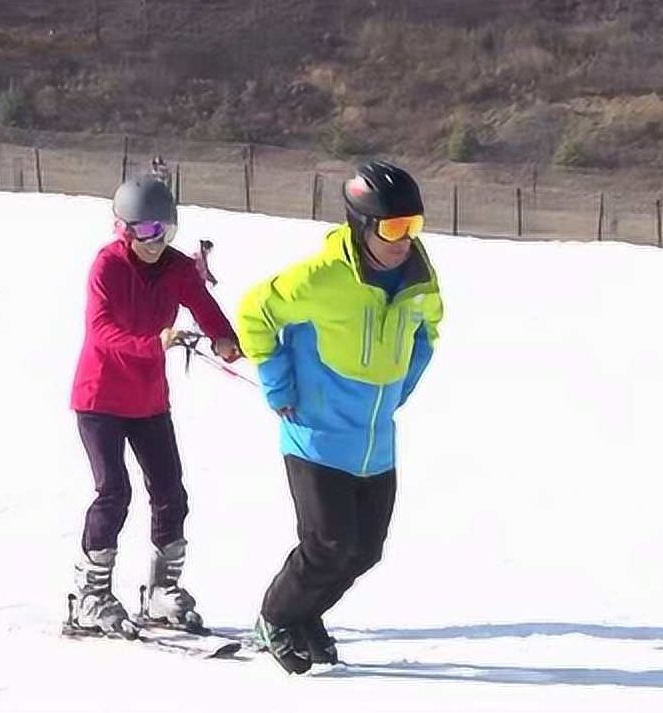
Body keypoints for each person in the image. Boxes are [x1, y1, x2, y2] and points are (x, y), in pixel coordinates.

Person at [237, 160, 444, 673]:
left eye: (413, 226)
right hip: (317, 433)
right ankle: (276, 617)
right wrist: (280, 385)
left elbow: (427, 332)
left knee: (365, 550)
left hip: (376, 440)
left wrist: (401, 387)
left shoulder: (419, 277)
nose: (404, 240)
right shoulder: (321, 278)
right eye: (394, 228)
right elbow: (253, 314)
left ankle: (306, 614)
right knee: (328, 543)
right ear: (362, 224)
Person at [68, 175, 241, 638]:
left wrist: (225, 337)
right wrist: (154, 342)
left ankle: (163, 591)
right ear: (122, 229)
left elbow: (202, 302)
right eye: (144, 231)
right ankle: (92, 595)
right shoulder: (106, 266)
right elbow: (101, 331)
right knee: (114, 492)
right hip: (100, 397)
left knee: (170, 491)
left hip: (148, 400)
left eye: (165, 229)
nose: (155, 240)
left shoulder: (177, 267)